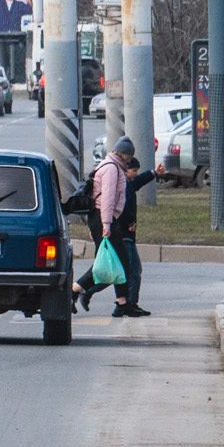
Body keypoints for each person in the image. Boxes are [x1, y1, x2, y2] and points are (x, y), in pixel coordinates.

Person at [77, 136, 157, 317]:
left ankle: (123, 303)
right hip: (104, 218)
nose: (130, 161)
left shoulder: (110, 166)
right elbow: (107, 199)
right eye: (130, 157)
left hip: (101, 218)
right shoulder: (112, 169)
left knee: (119, 262)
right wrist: (106, 224)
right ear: (126, 155)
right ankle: (76, 289)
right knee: (111, 262)